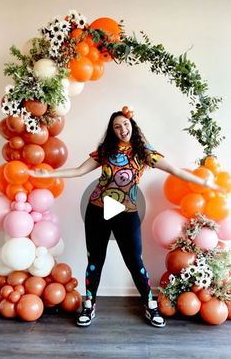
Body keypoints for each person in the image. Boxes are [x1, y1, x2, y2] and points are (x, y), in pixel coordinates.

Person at [28, 107, 221, 328]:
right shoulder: (105, 151)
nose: (122, 129)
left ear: (133, 126)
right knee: (95, 261)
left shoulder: (144, 153)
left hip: (125, 212)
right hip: (97, 209)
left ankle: (150, 304)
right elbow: (79, 171)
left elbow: (175, 171)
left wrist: (202, 182)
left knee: (134, 262)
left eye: (125, 125)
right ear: (112, 131)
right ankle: (89, 304)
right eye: (117, 126)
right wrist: (49, 174)